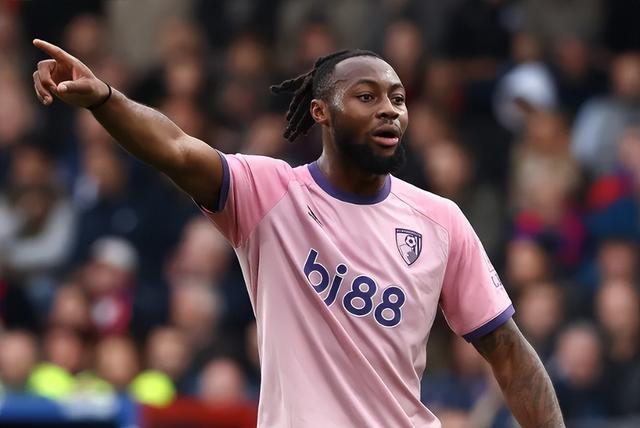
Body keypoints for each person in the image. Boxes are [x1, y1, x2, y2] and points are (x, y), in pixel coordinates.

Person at [32, 39, 564, 427]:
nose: (388, 109)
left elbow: (509, 352)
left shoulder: (440, 220)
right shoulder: (269, 193)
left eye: (398, 98)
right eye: (366, 96)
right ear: (320, 111)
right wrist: (104, 98)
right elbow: (175, 148)